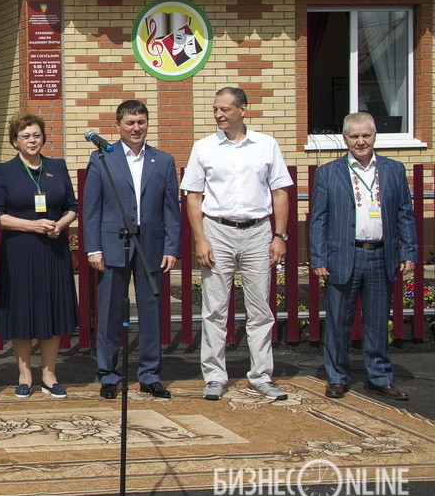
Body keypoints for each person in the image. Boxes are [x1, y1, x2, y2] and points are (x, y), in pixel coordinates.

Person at [181, 86, 293, 401]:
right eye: (215, 109)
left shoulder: (267, 145)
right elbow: (193, 196)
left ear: (243, 110)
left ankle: (261, 377)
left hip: (259, 232)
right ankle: (214, 377)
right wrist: (200, 238)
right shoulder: (204, 147)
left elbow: (280, 192)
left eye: (225, 109)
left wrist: (280, 235)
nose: (218, 114)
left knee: (260, 309)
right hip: (217, 231)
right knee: (215, 309)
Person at [311, 112, 417, 401]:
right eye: (354, 136)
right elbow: (319, 219)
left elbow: (405, 214)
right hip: (343, 256)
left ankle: (380, 376)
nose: (360, 142)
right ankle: (337, 377)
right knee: (338, 322)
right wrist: (319, 258)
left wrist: (408, 250)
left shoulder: (394, 170)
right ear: (345, 139)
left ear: (374, 137)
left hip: (381, 255)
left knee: (378, 322)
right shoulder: (328, 172)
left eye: (366, 136)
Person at [84, 100, 180, 400]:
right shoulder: (102, 158)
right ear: (118, 126)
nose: (136, 128)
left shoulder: (162, 161)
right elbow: (92, 209)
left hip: (150, 245)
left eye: (141, 122)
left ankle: (150, 373)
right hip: (113, 245)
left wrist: (171, 247)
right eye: (130, 123)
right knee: (111, 310)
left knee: (151, 312)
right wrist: (93, 248)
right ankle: (108, 374)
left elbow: (171, 210)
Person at [0, 113, 78, 398]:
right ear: (15, 141)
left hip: (53, 249)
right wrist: (33, 225)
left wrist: (60, 225)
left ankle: (50, 374)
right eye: (26, 135)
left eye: (37, 135)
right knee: (22, 310)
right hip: (19, 250)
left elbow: (72, 206)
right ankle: (25, 373)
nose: (32, 140)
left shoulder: (57, 166)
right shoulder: (4, 171)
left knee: (51, 308)